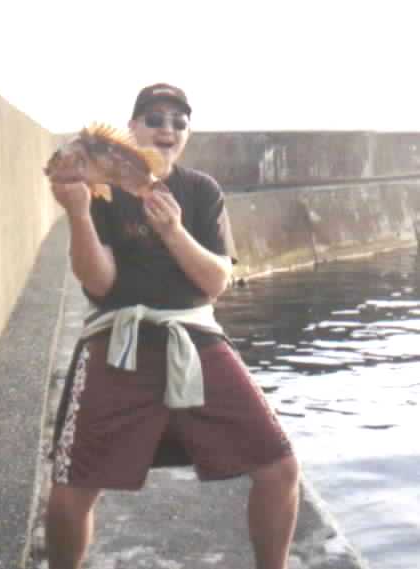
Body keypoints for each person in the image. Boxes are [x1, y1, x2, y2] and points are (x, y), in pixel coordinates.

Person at [46, 83, 300, 569]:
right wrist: (79, 213)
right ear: (133, 128)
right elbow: (100, 283)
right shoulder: (98, 190)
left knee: (280, 467)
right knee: (71, 486)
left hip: (193, 334)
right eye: (154, 119)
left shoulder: (201, 190)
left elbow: (215, 282)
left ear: (186, 134)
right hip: (117, 336)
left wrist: (173, 231)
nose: (166, 129)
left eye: (177, 122)